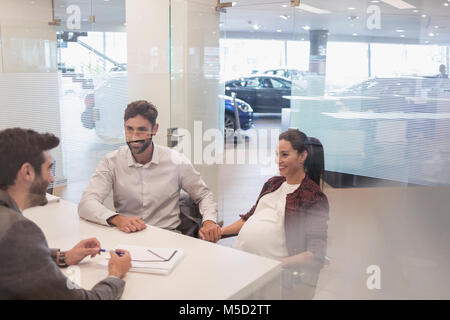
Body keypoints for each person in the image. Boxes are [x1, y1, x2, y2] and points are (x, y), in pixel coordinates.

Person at [0, 128, 131, 299]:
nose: (52, 179)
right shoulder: (18, 230)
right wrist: (115, 275)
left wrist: (64, 257)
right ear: (27, 172)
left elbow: (15, 259)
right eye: (49, 168)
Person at [78, 100, 221, 242]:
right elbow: (87, 203)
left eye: (141, 130)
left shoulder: (176, 161)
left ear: (155, 129)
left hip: (167, 237)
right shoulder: (111, 161)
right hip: (127, 236)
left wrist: (209, 221)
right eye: (129, 129)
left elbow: (203, 195)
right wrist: (117, 219)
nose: (134, 136)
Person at [221, 129, 330, 299]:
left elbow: (316, 253)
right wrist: (219, 232)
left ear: (302, 156)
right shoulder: (273, 183)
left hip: (270, 277)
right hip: (242, 265)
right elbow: (249, 218)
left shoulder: (313, 197)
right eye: (277, 154)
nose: (278, 160)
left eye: (285, 155)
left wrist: (274, 265)